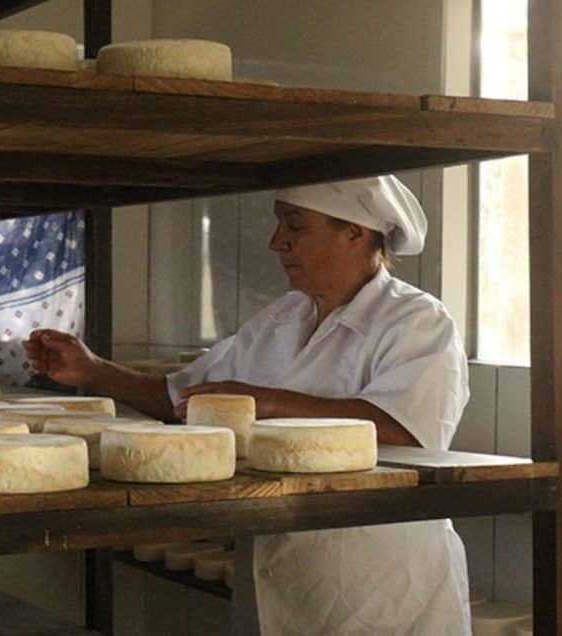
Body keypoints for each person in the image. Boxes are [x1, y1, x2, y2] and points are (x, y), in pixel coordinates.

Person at [24, 175, 471, 635]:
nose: (277, 242)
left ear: (355, 233)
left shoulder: (416, 322)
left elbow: (407, 432)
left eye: (295, 227)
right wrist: (95, 370)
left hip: (378, 582)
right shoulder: (281, 318)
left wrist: (265, 401)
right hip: (281, 573)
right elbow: (185, 398)